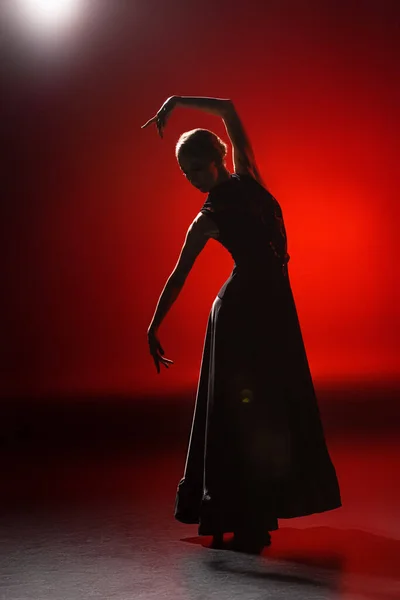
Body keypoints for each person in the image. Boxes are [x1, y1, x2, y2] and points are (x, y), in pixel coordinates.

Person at [142, 96, 342, 554]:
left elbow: (230, 109)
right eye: (185, 174)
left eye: (197, 169)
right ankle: (240, 516)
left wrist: (175, 102)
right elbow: (179, 275)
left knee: (273, 410)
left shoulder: (248, 174)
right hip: (238, 317)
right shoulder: (206, 217)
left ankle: (256, 512)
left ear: (218, 159)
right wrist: (154, 325)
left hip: (272, 310)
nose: (192, 180)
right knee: (245, 416)